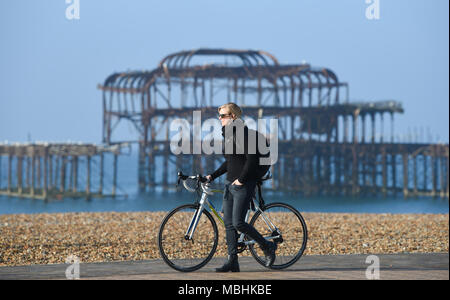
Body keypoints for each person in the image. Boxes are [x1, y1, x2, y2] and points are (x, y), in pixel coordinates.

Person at [206, 102, 277, 272]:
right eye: (219, 115)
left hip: (243, 184)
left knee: (238, 222)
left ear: (233, 117)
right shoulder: (230, 135)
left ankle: (267, 246)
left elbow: (251, 160)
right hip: (230, 183)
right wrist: (212, 176)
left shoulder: (244, 135)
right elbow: (230, 162)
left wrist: (241, 180)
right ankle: (232, 261)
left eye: (223, 115)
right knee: (229, 224)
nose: (220, 118)